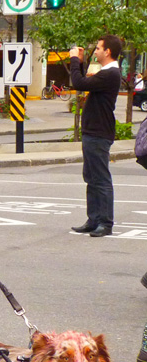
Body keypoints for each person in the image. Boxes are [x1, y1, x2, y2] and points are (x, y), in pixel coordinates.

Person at [69, 35, 123, 238]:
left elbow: (78, 83)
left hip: (99, 132)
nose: (97, 51)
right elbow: (85, 83)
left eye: (99, 48)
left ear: (108, 51)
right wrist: (81, 64)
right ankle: (93, 219)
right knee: (91, 178)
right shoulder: (106, 73)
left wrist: (75, 60)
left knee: (100, 179)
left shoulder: (111, 73)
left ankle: (105, 222)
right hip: (93, 131)